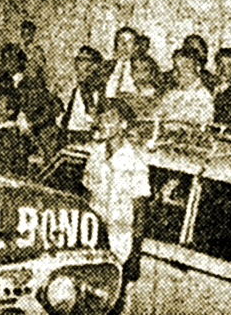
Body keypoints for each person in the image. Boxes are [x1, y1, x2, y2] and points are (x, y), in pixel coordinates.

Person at [82, 98, 149, 307]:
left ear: (123, 125)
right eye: (101, 118)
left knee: (112, 303)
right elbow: (86, 196)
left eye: (110, 118)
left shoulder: (135, 161)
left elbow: (140, 210)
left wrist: (135, 254)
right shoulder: (95, 155)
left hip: (119, 245)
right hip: (92, 242)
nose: (103, 123)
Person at [58, 45, 107, 144]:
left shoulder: (97, 90)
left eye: (83, 60)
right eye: (77, 59)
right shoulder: (77, 89)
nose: (77, 64)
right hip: (70, 137)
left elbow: (96, 118)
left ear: (94, 65)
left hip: (87, 139)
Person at [154, 48, 213, 126]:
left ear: (197, 68)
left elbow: (202, 125)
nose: (180, 73)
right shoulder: (171, 94)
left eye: (186, 68)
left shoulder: (203, 96)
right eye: (177, 69)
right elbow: (157, 117)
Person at [105, 27, 139, 98]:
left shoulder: (140, 68)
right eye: (121, 41)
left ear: (135, 47)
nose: (125, 45)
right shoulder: (106, 67)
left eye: (129, 42)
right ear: (116, 45)